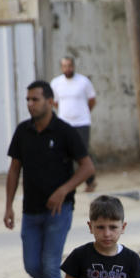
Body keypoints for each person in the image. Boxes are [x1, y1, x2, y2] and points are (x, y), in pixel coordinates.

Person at [4, 80, 95, 278]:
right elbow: (14, 170)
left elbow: (87, 167)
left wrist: (64, 190)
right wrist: (8, 206)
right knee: (32, 265)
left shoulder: (65, 132)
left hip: (59, 211)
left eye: (35, 99)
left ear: (50, 102)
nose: (30, 104)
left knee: (50, 266)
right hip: (30, 210)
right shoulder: (22, 131)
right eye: (28, 99)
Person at [51, 56, 98, 192]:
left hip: (82, 122)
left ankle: (90, 181)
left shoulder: (83, 82)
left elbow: (92, 100)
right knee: (65, 153)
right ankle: (68, 182)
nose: (67, 68)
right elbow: (54, 102)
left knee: (83, 152)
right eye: (64, 66)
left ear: (74, 66)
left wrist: (84, 112)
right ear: (61, 68)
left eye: (69, 65)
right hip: (65, 123)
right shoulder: (56, 83)